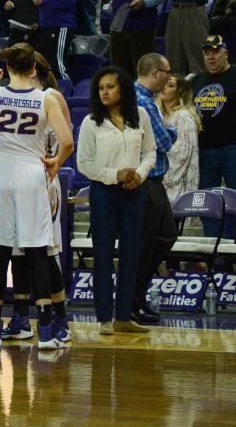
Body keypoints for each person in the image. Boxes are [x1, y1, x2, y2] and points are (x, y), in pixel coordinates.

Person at [0, 9, 74, 348]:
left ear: (8, 68)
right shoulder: (47, 97)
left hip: (2, 171)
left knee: (1, 253)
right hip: (32, 171)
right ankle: (48, 330)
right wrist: (56, 162)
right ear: (35, 68)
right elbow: (67, 140)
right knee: (38, 251)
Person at [76, 65, 156, 335]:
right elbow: (84, 163)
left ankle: (124, 316)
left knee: (131, 255)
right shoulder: (91, 122)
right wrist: (114, 175)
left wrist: (140, 175)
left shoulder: (141, 116)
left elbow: (150, 153)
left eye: (110, 86)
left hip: (134, 192)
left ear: (123, 88)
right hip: (104, 194)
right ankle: (103, 318)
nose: (105, 92)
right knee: (103, 256)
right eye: (100, 88)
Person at [131, 53, 179, 327]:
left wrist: (168, 130)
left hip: (154, 182)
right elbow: (164, 141)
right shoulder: (142, 102)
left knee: (165, 237)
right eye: (167, 72)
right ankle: (133, 301)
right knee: (146, 244)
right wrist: (170, 130)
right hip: (145, 181)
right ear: (154, 72)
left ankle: (136, 296)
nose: (170, 77)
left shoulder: (148, 100)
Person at [192, 34, 235, 236]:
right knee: (206, 202)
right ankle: (212, 250)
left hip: (232, 148)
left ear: (225, 53)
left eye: (216, 52)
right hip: (204, 151)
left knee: (235, 199)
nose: (211, 56)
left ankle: (231, 248)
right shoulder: (197, 80)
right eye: (207, 53)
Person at [158, 74, 201, 211]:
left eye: (170, 85)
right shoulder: (159, 115)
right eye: (164, 84)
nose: (164, 87)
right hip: (162, 178)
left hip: (177, 180)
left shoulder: (184, 116)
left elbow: (183, 153)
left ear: (179, 91)